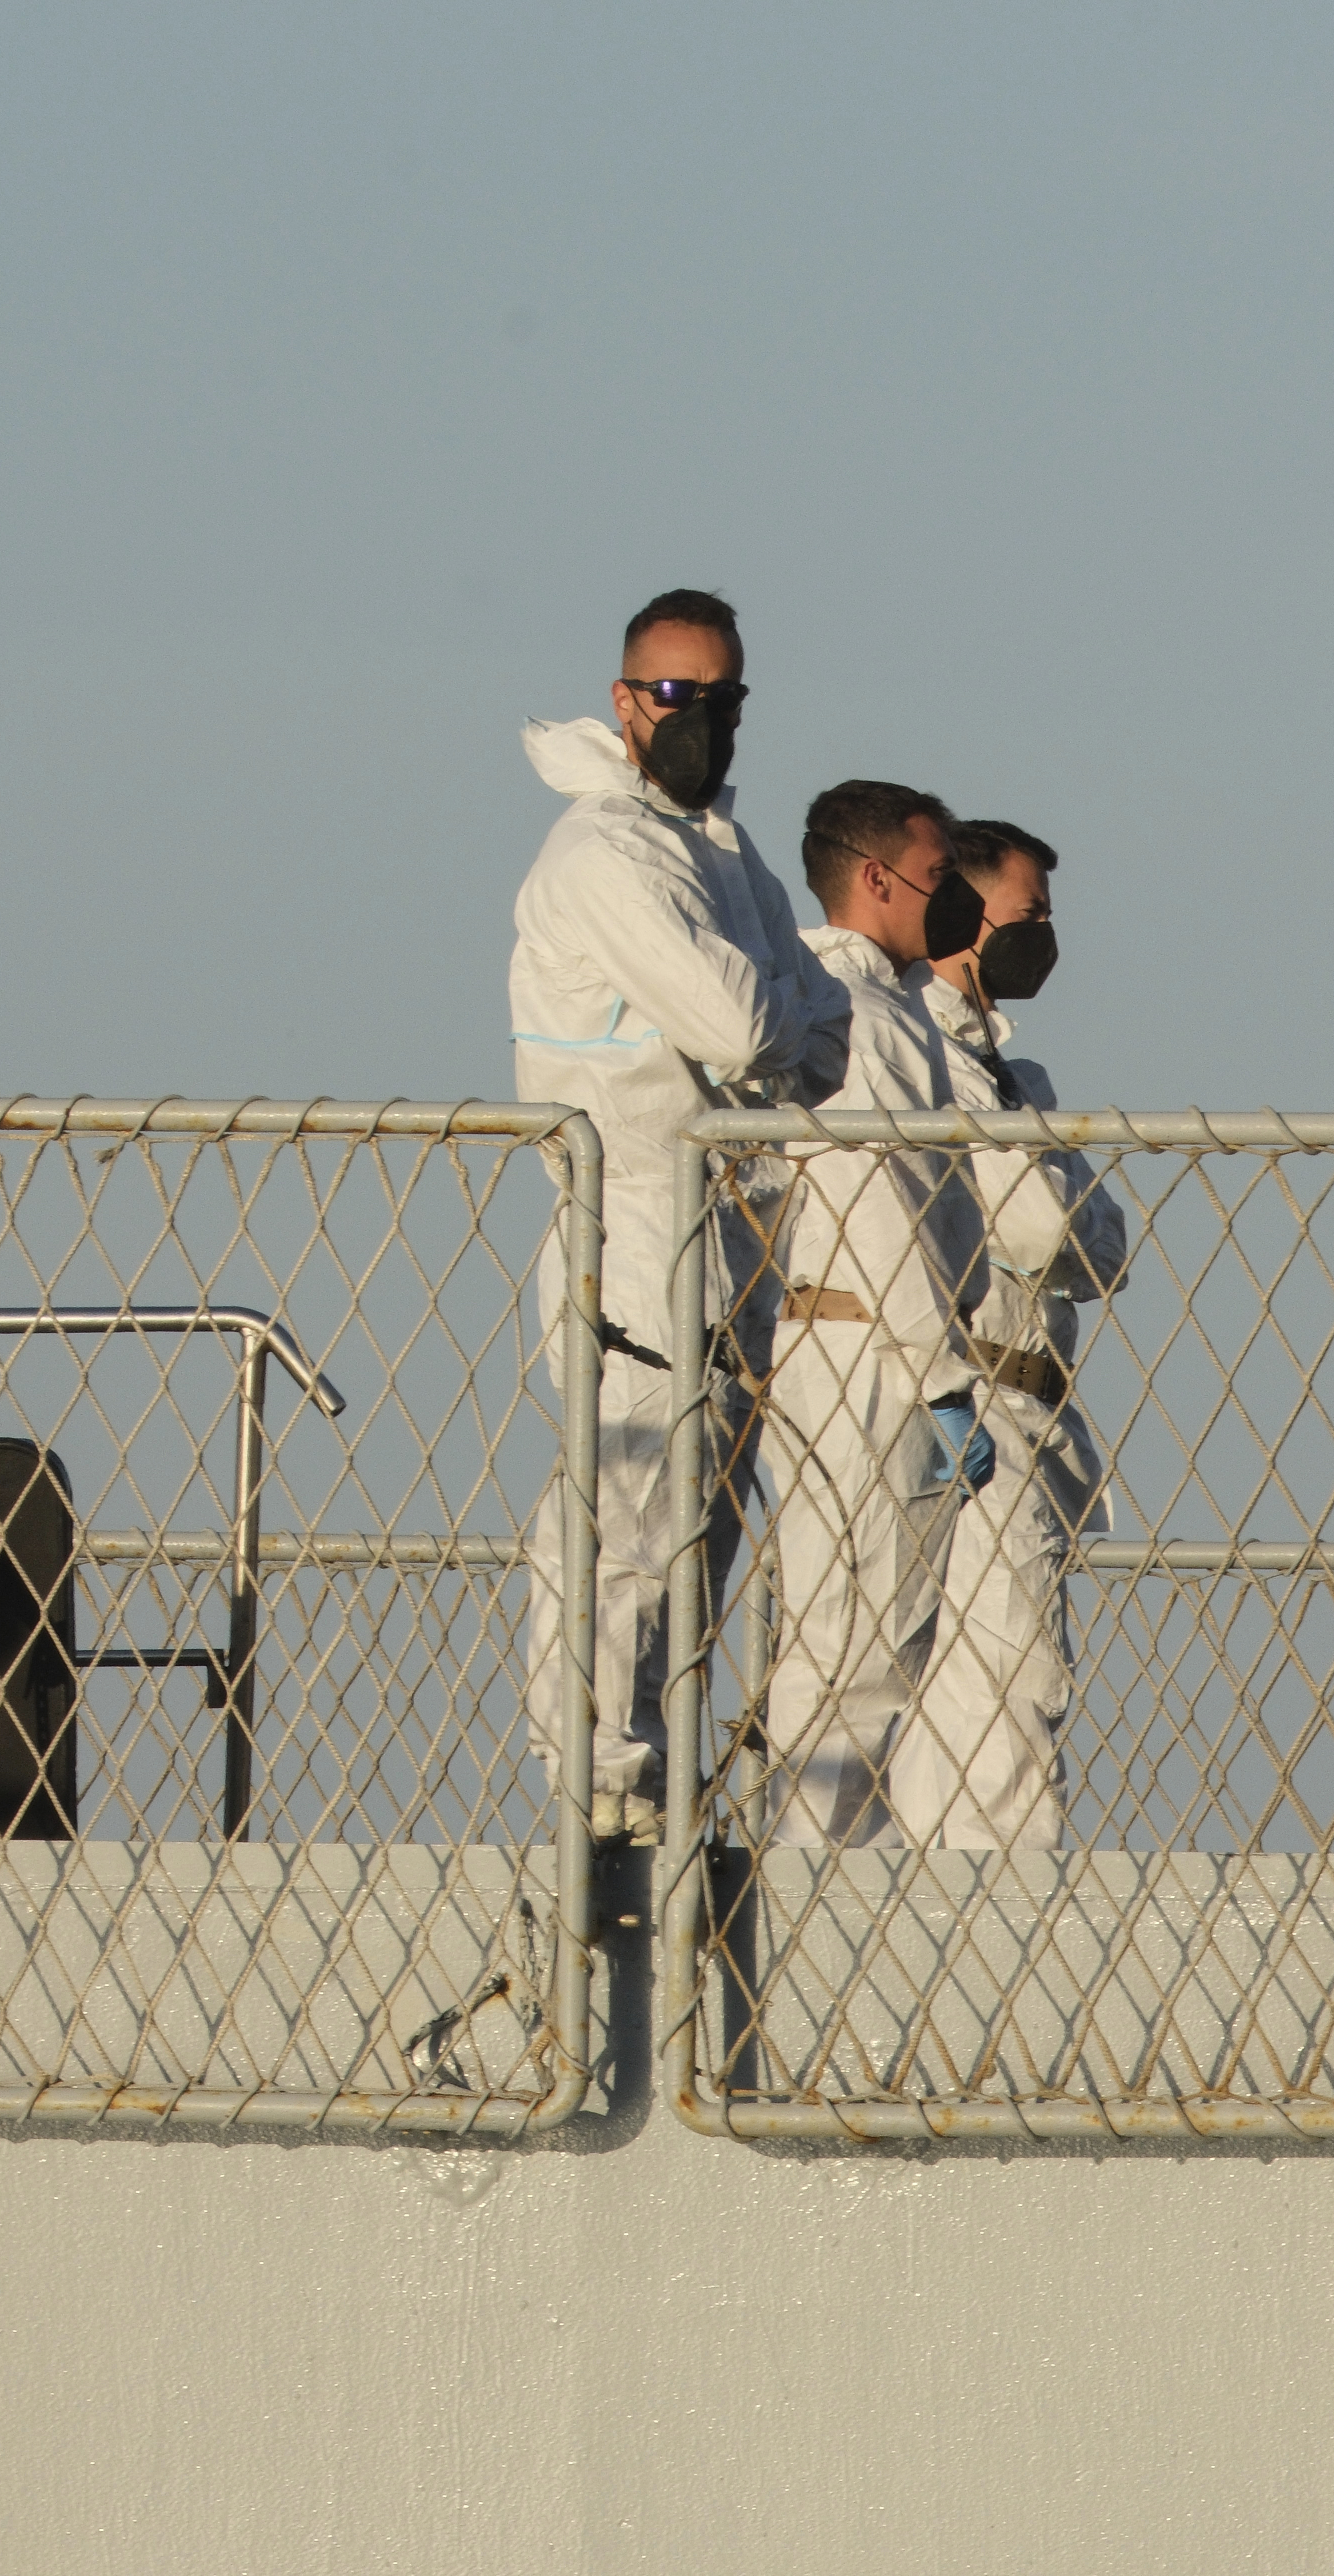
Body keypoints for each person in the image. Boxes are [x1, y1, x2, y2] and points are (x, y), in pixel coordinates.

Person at [507, 590, 849, 1843]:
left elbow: (828, 1033)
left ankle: (658, 1793)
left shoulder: (726, 852)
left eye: (719, 699)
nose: (696, 718)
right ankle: (596, 1781)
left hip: (737, 1217)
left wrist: (773, 1015)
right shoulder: (605, 852)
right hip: (636, 1221)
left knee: (703, 1525)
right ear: (624, 701)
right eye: (672, 694)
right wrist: (772, 1014)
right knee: (627, 1509)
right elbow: (756, 1027)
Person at [757, 782, 987, 1848]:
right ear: (876, 878)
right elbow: (884, 1204)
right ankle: (810, 1890)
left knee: (842, 1641)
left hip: (838, 1340)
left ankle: (812, 1869)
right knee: (862, 1651)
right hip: (873, 1348)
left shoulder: (832, 999)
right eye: (941, 881)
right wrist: (943, 1375)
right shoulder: (872, 1018)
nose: (955, 906)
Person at [904, 820, 1130, 1850]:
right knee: (1003, 1690)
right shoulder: (933, 1055)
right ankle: (1001, 1933)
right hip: (976, 1401)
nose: (1046, 934)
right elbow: (1043, 1228)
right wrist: (1058, 1205)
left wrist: (1056, 1207)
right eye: (1030, 913)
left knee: (999, 1690)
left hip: (1038, 1400)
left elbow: (1106, 1248)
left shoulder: (1014, 1077)